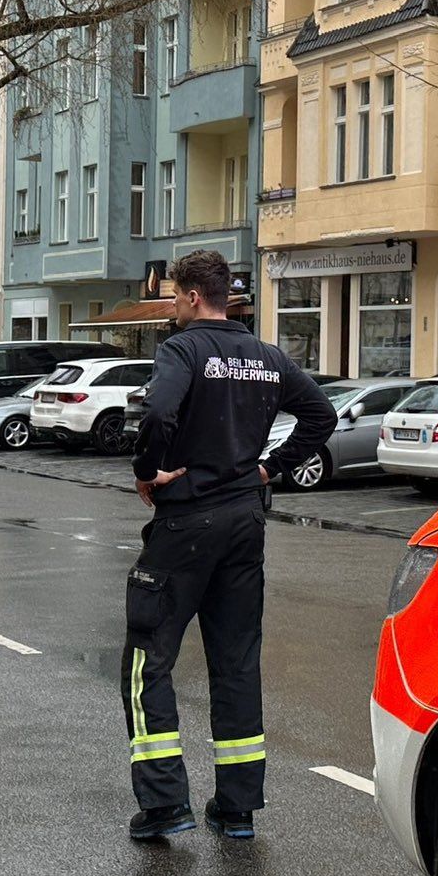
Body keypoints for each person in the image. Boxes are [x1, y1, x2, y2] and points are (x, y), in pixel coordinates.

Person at [122, 249, 336, 842]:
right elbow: (320, 417)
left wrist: (150, 468)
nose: (172, 306)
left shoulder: (182, 350)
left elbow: (159, 411)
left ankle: (165, 803)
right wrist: (271, 468)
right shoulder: (267, 358)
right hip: (246, 520)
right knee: (237, 661)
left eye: (174, 296)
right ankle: (236, 807)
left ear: (193, 296)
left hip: (188, 520)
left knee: (148, 658)